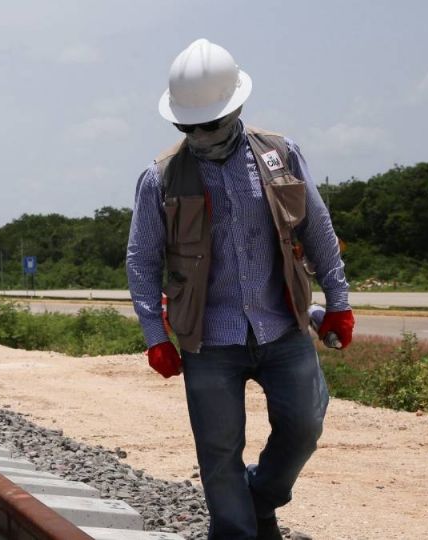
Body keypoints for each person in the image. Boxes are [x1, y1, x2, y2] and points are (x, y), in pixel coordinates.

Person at [126, 39, 355, 540]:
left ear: (235, 108)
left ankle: (261, 497)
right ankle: (237, 531)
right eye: (188, 126)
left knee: (304, 428)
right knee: (218, 452)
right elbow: (141, 261)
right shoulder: (159, 178)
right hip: (210, 339)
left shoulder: (280, 154)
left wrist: (339, 302)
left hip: (282, 326)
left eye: (207, 123)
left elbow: (316, 227)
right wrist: (154, 335)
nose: (199, 134)